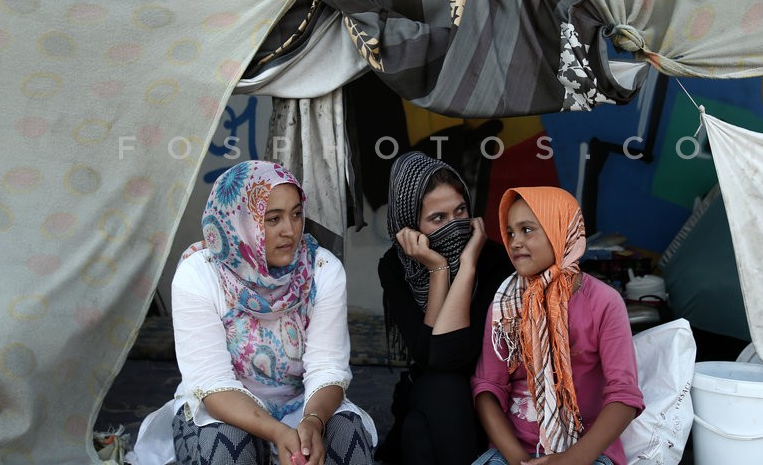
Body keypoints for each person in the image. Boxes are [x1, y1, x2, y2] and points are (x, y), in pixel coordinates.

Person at [131, 160, 376, 465]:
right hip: (222, 409)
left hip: (302, 405)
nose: (290, 230)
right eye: (273, 219)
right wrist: (277, 433)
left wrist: (312, 421)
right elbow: (211, 382)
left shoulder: (322, 269)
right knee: (228, 444)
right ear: (240, 221)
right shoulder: (199, 274)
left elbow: (327, 367)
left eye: (296, 214)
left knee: (346, 432)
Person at [470, 187, 644, 465]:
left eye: (527, 230)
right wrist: (518, 460)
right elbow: (487, 390)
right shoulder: (505, 306)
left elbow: (624, 397)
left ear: (561, 231)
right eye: (510, 233)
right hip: (513, 454)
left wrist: (566, 461)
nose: (515, 242)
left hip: (586, 454)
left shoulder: (604, 302)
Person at [376, 151, 514, 465]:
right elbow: (429, 357)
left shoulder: (494, 261)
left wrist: (468, 266)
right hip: (436, 391)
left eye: (460, 211)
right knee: (443, 387)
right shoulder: (395, 266)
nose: (454, 226)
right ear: (411, 224)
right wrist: (438, 270)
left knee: (417, 432)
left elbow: (455, 357)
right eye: (438, 218)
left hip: (489, 396)